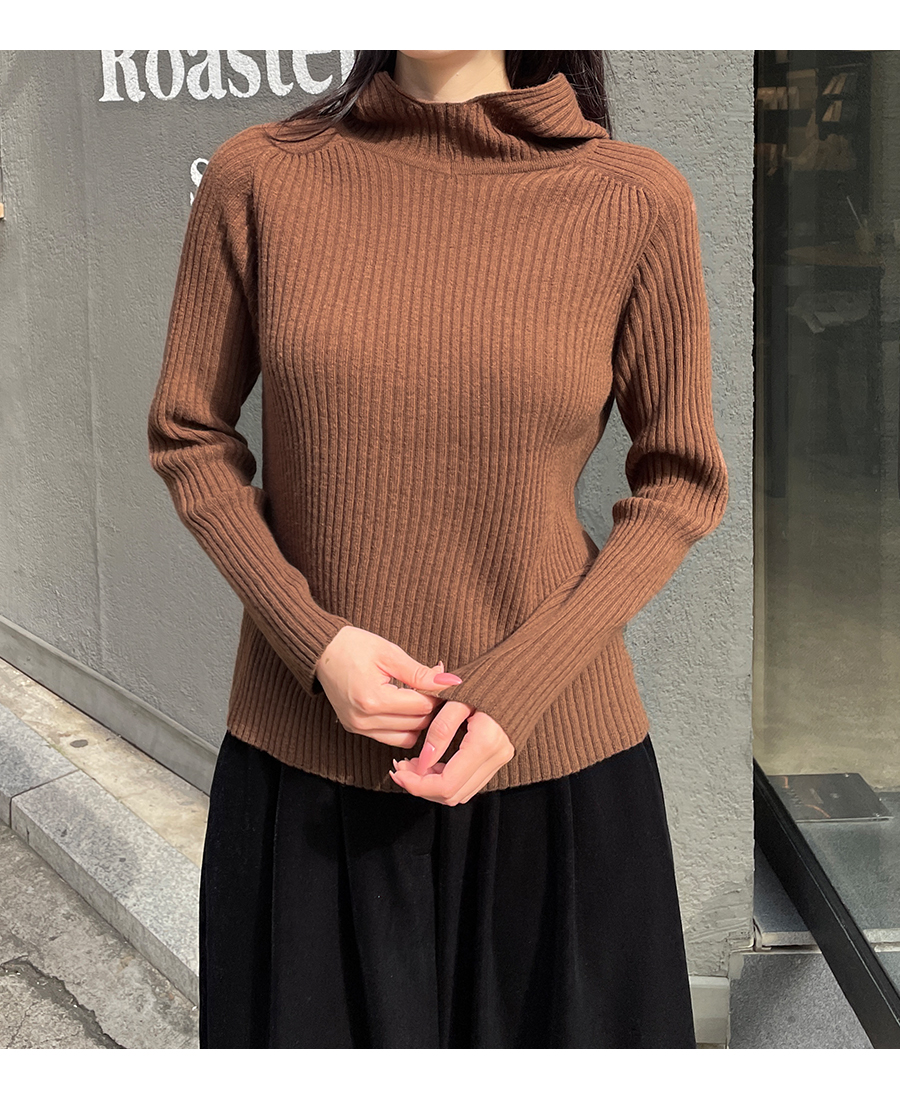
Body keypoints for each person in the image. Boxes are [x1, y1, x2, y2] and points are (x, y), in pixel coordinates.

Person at [147, 49, 729, 1048]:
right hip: (309, 765)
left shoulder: (634, 199)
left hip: (555, 768)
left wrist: (522, 682)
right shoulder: (261, 177)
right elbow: (189, 436)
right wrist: (315, 642)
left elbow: (682, 477)